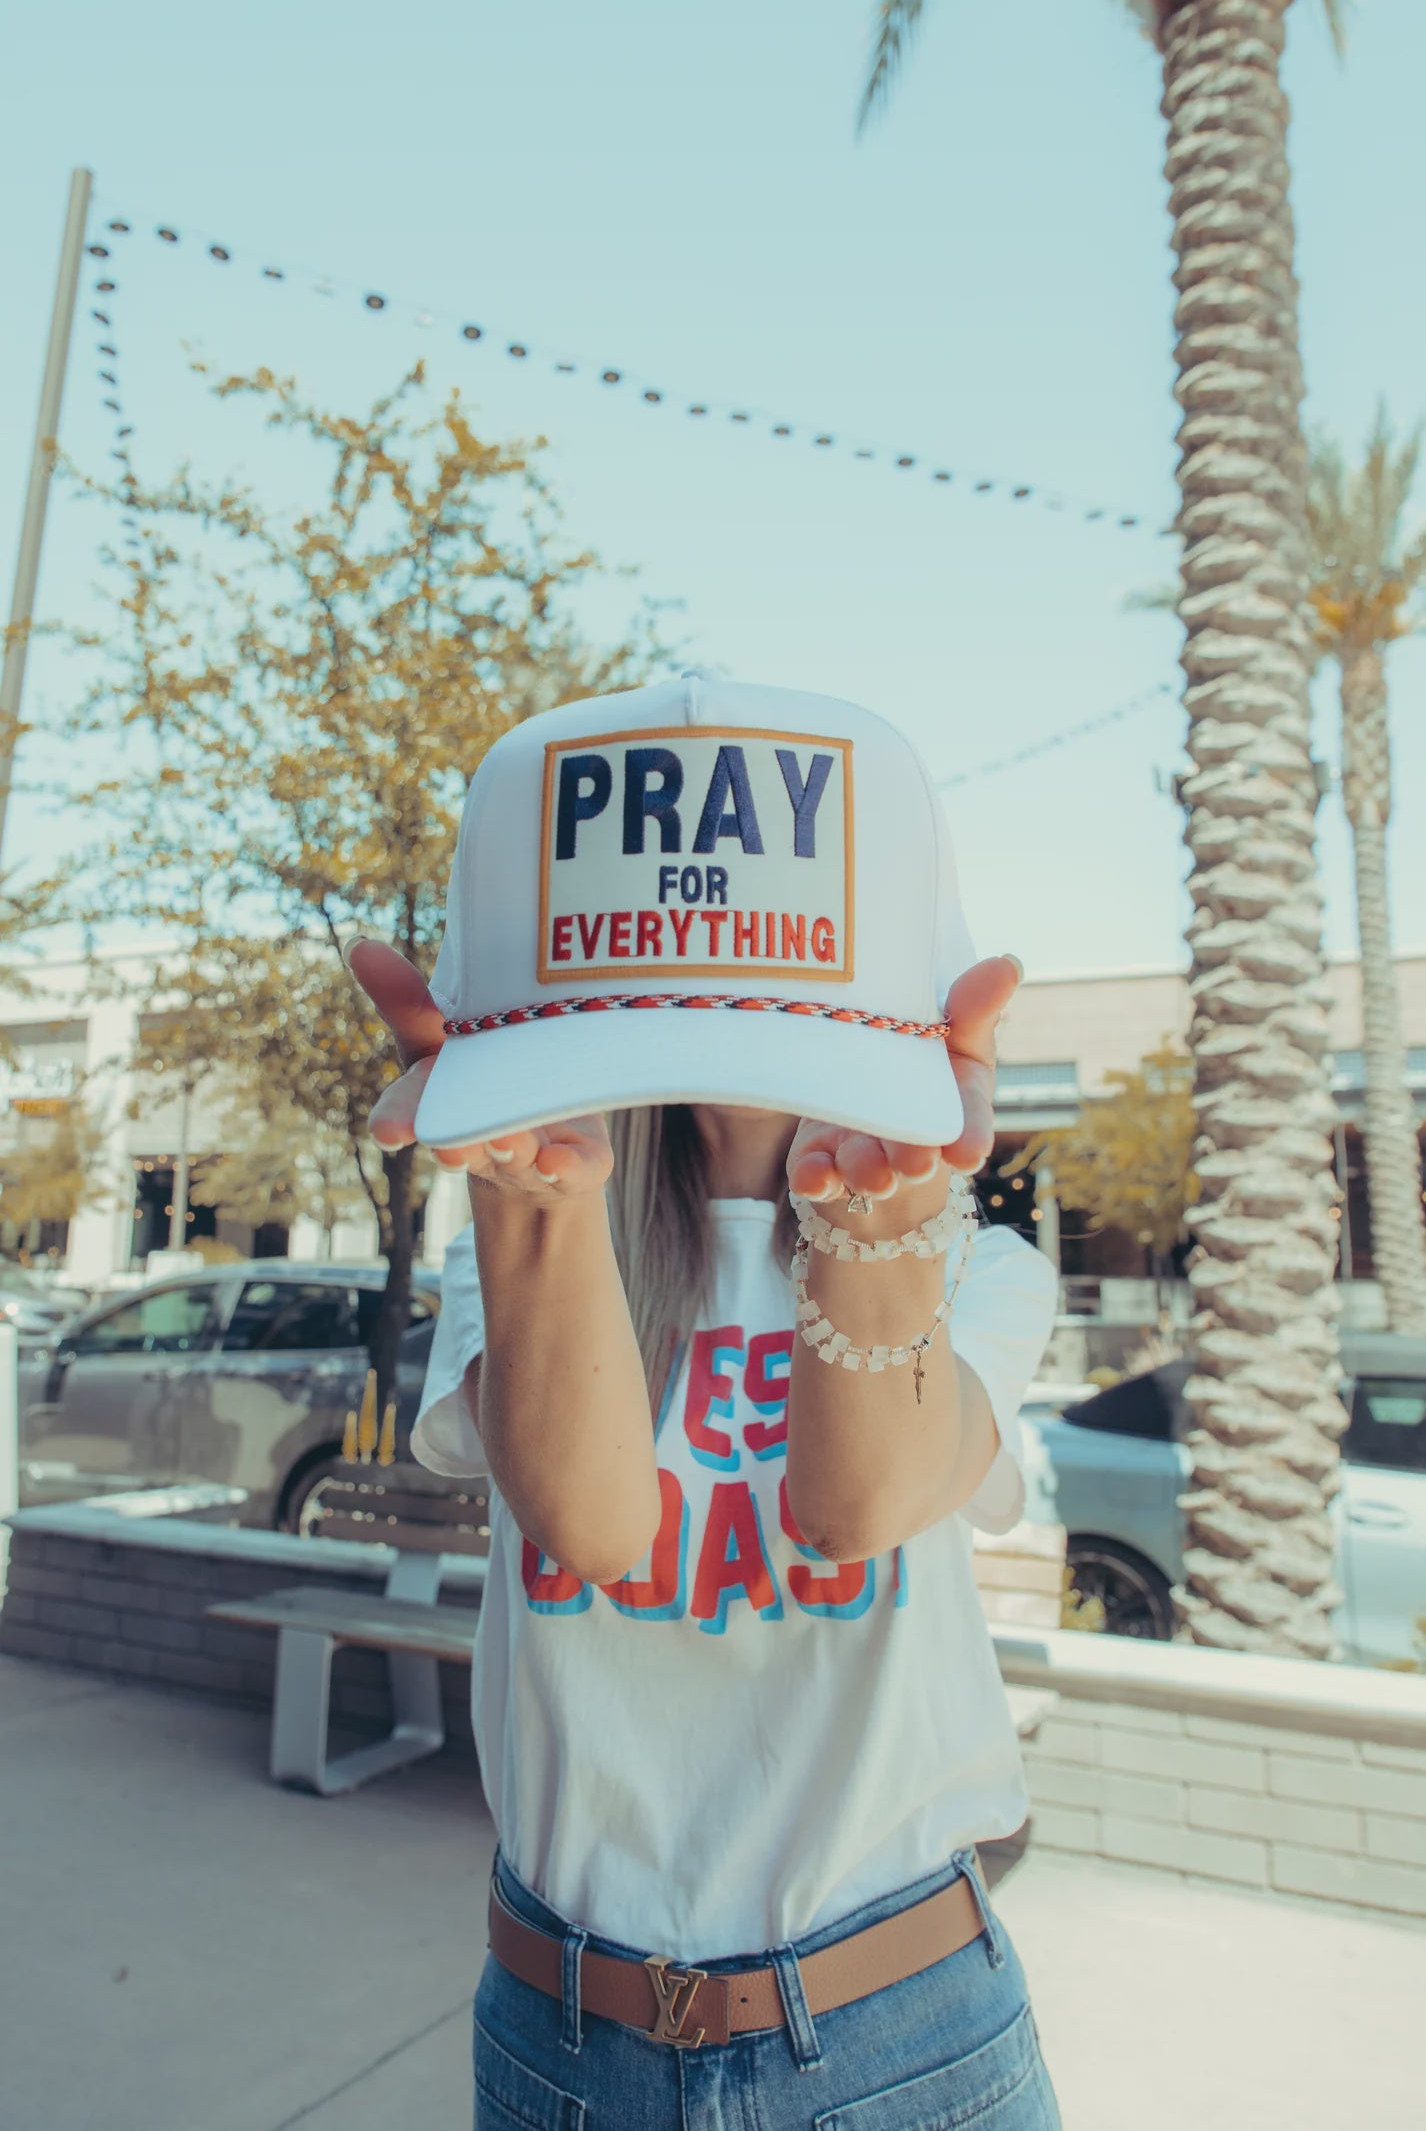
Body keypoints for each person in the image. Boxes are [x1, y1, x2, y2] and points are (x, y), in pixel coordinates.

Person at [349, 673, 1062, 2129]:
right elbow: (593, 1522)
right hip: (564, 2040)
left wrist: (876, 1228)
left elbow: (856, 1502)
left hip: (899, 2038)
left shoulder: (978, 1271)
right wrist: (530, 1195)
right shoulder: (525, 1238)